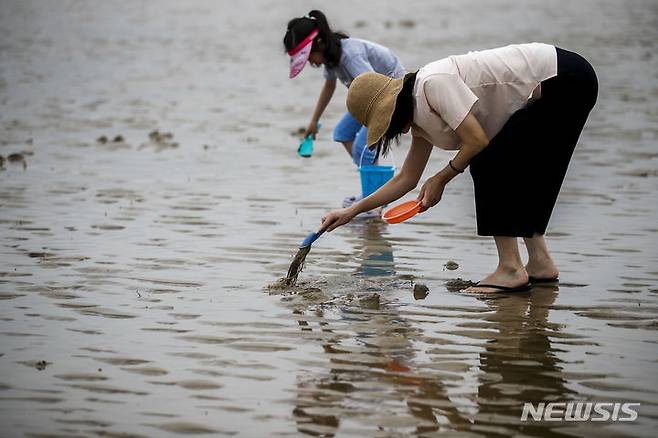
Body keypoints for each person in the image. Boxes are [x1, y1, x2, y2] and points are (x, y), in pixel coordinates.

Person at [319, 43, 598, 293]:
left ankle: (511, 269)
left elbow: (476, 140)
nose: (395, 132)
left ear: (394, 108)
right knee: (513, 168)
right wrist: (352, 211)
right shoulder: (419, 118)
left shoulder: (432, 85)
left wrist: (442, 177)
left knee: (489, 161)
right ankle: (540, 263)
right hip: (559, 83)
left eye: (387, 124)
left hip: (564, 80)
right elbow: (407, 178)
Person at [284, 10, 406, 209]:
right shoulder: (332, 57)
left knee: (362, 148)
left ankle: (371, 203)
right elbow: (329, 87)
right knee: (342, 133)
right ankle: (372, 192)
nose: (311, 62)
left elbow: (374, 86)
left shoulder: (350, 55)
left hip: (390, 92)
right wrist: (314, 121)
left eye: (309, 56)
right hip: (369, 97)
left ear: (320, 43)